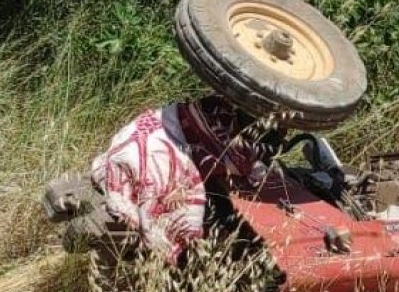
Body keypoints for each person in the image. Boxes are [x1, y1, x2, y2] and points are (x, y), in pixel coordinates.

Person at [43, 94, 276, 264]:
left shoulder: (218, 109)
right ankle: (113, 218)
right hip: (158, 151)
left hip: (135, 148)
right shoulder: (228, 130)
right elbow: (240, 161)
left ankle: (107, 202)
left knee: (143, 164)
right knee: (164, 193)